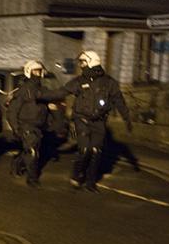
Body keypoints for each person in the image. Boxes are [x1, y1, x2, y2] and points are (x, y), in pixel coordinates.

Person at [38, 50, 132, 191]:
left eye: (83, 62)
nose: (81, 65)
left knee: (96, 151)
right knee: (85, 149)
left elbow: (119, 100)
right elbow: (61, 92)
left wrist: (127, 118)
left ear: (91, 62)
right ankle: (77, 175)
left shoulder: (109, 83)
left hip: (99, 121)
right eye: (80, 62)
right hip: (81, 119)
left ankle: (91, 182)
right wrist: (41, 95)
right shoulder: (79, 81)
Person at [6, 60, 51, 188]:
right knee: (32, 152)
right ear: (29, 72)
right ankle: (32, 179)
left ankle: (17, 163)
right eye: (35, 71)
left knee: (32, 150)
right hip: (26, 125)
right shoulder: (23, 90)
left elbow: (43, 107)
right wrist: (15, 127)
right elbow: (13, 110)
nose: (38, 74)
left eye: (39, 71)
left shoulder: (42, 89)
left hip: (38, 126)